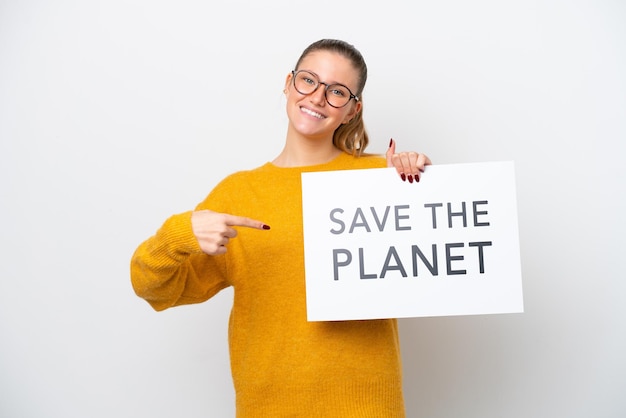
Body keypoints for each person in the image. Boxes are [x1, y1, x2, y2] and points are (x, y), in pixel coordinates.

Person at [131, 39, 431, 417]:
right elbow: (152, 288)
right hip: (268, 406)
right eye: (309, 81)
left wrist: (419, 185)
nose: (318, 97)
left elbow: (436, 267)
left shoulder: (379, 178)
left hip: (367, 406)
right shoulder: (239, 193)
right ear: (289, 84)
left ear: (353, 110)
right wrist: (180, 233)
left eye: (337, 91)